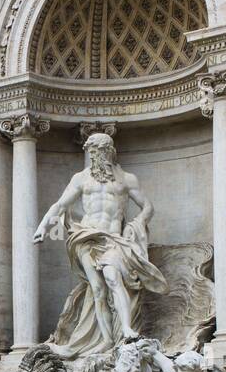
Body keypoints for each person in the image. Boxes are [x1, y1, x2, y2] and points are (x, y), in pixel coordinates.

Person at [33, 132, 167, 356]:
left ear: (110, 151)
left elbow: (148, 206)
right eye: (92, 152)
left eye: (100, 151)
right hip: (86, 236)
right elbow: (59, 206)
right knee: (97, 289)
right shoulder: (81, 178)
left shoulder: (126, 179)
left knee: (113, 278)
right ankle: (106, 339)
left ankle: (125, 329)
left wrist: (136, 224)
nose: (96, 156)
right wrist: (42, 227)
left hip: (113, 238)